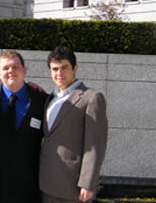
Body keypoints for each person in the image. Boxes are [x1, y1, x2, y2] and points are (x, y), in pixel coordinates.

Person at [39, 46, 108, 203]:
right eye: (55, 69)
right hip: (46, 182)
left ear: (75, 68)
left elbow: (96, 144)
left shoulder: (91, 98)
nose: (59, 73)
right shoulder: (50, 99)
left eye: (65, 68)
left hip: (72, 186)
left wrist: (88, 183)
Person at [0, 50, 47, 203]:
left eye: (16, 67)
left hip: (28, 187)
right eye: (5, 68)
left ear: (25, 70)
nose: (10, 71)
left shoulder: (42, 100)